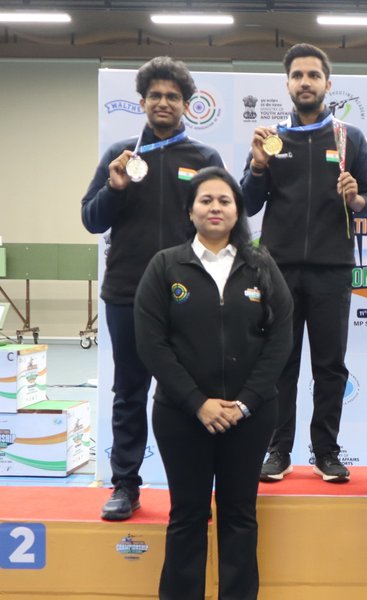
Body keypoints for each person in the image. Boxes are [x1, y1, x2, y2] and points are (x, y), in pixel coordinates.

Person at [134, 166, 293, 599]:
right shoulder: (165, 266)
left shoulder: (261, 265)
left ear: (238, 210)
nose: (215, 207)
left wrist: (244, 403)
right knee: (187, 515)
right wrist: (197, 403)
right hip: (181, 416)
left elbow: (281, 340)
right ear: (191, 211)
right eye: (206, 200)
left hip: (251, 416)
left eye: (225, 200)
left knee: (240, 515)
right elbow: (152, 344)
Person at [81, 56, 224, 520]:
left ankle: (194, 486)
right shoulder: (121, 156)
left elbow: (224, 225)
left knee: (193, 392)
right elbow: (91, 219)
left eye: (173, 96)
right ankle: (125, 484)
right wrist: (115, 187)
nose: (164, 103)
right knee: (129, 392)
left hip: (190, 296)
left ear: (187, 105)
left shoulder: (204, 160)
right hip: (127, 293)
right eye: (156, 96)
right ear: (142, 102)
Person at [241, 43, 367, 483]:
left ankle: (326, 452)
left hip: (332, 268)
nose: (305, 82)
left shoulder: (348, 138)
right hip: (277, 271)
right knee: (280, 364)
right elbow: (247, 202)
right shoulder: (270, 139)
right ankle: (278, 451)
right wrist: (258, 167)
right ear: (287, 84)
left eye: (313, 75)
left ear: (327, 84)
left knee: (330, 366)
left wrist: (355, 197)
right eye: (297, 75)